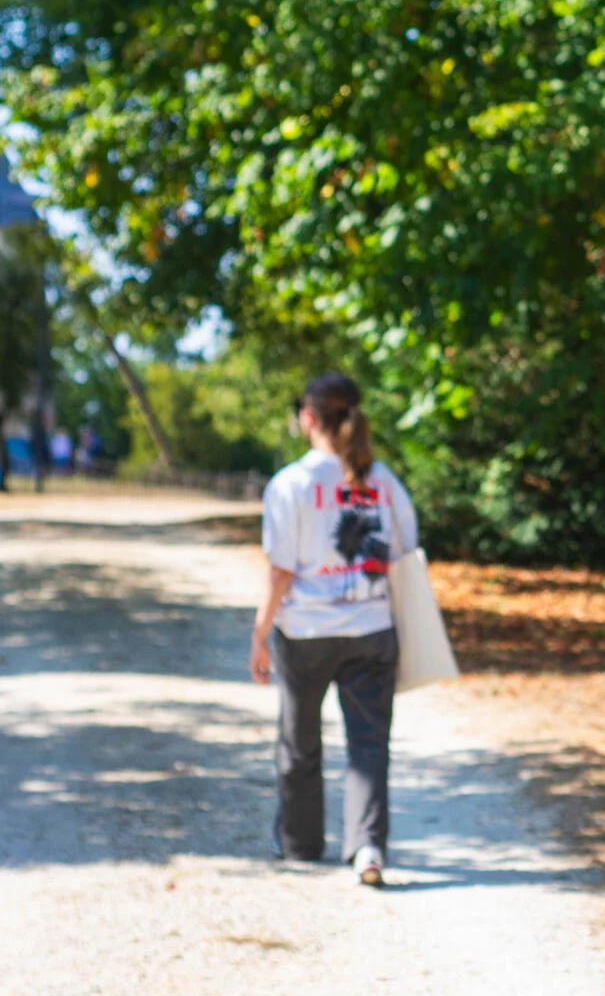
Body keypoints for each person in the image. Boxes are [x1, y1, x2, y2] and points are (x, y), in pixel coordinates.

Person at [248, 373, 418, 887]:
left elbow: (280, 570)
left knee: (299, 742)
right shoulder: (382, 480)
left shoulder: (292, 484)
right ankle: (367, 847)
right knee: (369, 744)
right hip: (372, 629)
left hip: (306, 633)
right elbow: (405, 551)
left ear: (309, 418)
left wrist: (260, 633)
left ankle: (300, 845)